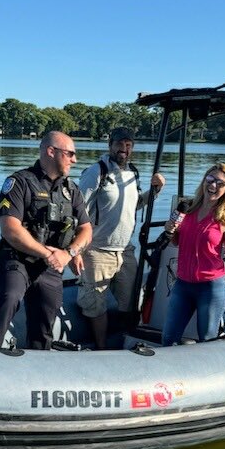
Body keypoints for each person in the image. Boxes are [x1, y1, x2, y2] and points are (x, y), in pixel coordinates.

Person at [0, 131, 93, 350]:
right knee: (10, 297)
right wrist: (48, 254)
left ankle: (38, 359)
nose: (74, 160)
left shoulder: (71, 190)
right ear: (51, 151)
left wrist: (70, 253)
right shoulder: (19, 182)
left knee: (46, 318)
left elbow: (86, 229)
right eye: (70, 154)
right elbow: (10, 229)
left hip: (51, 266)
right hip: (17, 260)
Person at [77, 127, 166, 348]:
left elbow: (134, 205)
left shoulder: (133, 173)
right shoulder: (95, 172)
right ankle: (101, 349)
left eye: (128, 145)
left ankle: (125, 343)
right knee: (94, 306)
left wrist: (154, 192)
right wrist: (75, 250)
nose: (123, 149)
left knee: (130, 303)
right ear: (110, 145)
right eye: (119, 144)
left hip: (126, 251)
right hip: (97, 251)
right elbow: (77, 211)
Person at [162, 162, 225, 346]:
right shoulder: (187, 208)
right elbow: (177, 242)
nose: (213, 185)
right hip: (182, 284)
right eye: (210, 179)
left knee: (206, 341)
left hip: (211, 288)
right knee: (168, 338)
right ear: (204, 180)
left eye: (220, 183)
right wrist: (170, 230)